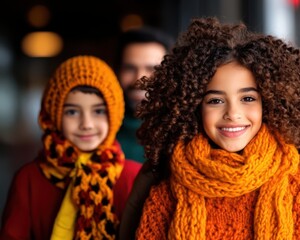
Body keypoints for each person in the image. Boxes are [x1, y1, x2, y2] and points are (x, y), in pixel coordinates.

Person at [126, 17, 300, 239]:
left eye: (247, 98)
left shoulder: (294, 181)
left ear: (269, 101)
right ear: (193, 107)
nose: (233, 113)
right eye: (215, 101)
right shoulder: (163, 183)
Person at [0, 55, 142, 240]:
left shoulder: (134, 177)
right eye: (72, 112)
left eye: (99, 111)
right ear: (55, 115)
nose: (86, 124)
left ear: (114, 115)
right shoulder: (28, 179)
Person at [114, 26, 174, 163]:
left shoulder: (184, 134)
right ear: (117, 71)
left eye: (152, 69)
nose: (139, 79)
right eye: (130, 68)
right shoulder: (95, 131)